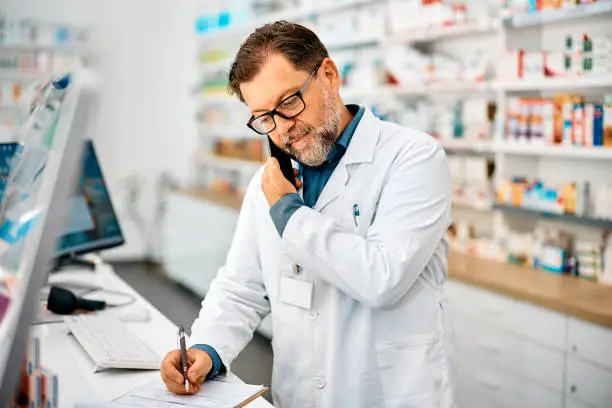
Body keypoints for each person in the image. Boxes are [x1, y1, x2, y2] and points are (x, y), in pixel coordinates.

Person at [161, 21, 455, 408]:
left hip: (389, 395)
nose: (282, 129)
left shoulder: (412, 158)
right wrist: (207, 348)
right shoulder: (269, 182)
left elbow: (383, 278)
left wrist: (289, 213)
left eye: (288, 103)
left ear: (329, 76)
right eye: (265, 117)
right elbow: (241, 286)